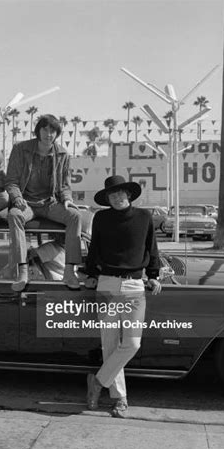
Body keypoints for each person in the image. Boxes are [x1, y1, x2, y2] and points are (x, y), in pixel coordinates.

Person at [84, 175, 162, 418]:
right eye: (111, 194)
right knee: (109, 344)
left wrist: (154, 275)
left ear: (129, 194)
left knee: (132, 343)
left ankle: (97, 381)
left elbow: (152, 248)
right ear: (107, 198)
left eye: (120, 193)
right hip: (106, 284)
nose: (116, 197)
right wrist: (91, 273)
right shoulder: (101, 217)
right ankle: (120, 399)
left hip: (135, 287)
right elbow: (94, 247)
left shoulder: (144, 217)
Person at [5, 114, 82, 291]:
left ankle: (69, 272)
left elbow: (64, 184)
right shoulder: (20, 149)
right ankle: (22, 270)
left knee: (75, 216)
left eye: (53, 131)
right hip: (26, 203)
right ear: (38, 131)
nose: (49, 134)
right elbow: (11, 181)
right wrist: (17, 199)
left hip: (49, 203)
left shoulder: (62, 154)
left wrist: (68, 200)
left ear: (57, 134)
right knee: (14, 215)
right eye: (45, 129)